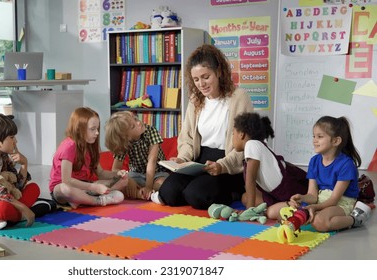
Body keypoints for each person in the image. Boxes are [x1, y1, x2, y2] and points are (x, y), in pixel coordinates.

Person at [151, 44, 254, 209]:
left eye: (206, 77)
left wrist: (222, 165)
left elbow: (246, 144)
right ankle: (195, 188)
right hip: (199, 161)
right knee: (168, 193)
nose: (201, 84)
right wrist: (182, 159)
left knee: (196, 196)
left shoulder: (239, 98)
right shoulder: (195, 100)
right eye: (196, 79)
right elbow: (187, 138)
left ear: (219, 72)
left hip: (228, 163)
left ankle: (234, 192)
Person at [289, 116, 371, 232]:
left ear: (336, 141)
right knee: (275, 211)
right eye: (314, 136)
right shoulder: (314, 161)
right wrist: (301, 198)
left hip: (342, 202)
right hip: (322, 200)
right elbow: (312, 195)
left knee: (319, 222)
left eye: (320, 136)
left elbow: (334, 199)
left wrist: (313, 207)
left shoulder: (346, 164)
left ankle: (356, 219)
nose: (314, 140)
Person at [232, 112, 308, 220]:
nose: (232, 138)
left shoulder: (251, 145)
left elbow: (251, 180)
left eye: (232, 133)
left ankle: (299, 206)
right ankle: (281, 206)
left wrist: (249, 211)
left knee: (270, 212)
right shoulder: (258, 145)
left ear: (241, 134)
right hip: (276, 194)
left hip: (292, 190)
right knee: (245, 197)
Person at [49, 107, 128, 209]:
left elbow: (101, 173)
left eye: (97, 129)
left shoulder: (91, 145)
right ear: (79, 129)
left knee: (122, 182)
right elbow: (66, 181)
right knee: (65, 189)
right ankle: (97, 201)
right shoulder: (69, 146)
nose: (97, 133)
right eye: (92, 129)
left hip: (85, 186)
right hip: (62, 190)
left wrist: (117, 174)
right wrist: (94, 187)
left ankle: (80, 199)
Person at [105, 111, 170, 200]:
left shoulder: (151, 131)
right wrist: (128, 179)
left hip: (157, 173)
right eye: (133, 126)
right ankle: (143, 195)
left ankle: (144, 193)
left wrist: (148, 187)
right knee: (120, 184)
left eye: (136, 119)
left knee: (162, 184)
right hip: (136, 174)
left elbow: (152, 160)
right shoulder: (125, 143)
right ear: (126, 137)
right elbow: (115, 169)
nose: (139, 123)